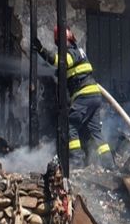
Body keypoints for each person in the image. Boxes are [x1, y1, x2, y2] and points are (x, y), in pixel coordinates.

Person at [33, 26, 114, 169]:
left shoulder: (71, 53)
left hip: (84, 95)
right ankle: (110, 166)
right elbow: (68, 69)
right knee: (95, 132)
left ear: (62, 41)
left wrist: (41, 50)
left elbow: (60, 61)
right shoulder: (79, 51)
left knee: (70, 126)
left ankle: (76, 164)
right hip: (94, 95)